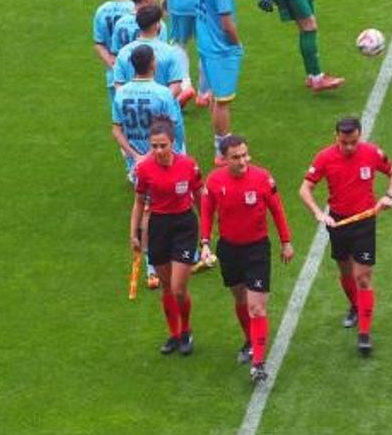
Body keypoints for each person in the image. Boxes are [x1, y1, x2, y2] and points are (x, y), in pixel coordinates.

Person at [298, 116, 392, 355]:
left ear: (359, 136)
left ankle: (364, 334)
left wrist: (388, 195)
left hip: (364, 221)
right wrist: (318, 213)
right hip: (338, 222)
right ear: (336, 137)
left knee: (362, 277)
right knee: (345, 271)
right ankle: (355, 306)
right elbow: (305, 188)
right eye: (344, 142)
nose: (349, 147)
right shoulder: (324, 157)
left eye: (353, 142)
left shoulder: (372, 153)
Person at [200, 135, 296, 383]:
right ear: (224, 159)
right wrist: (205, 244)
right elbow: (207, 212)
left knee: (257, 307)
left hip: (257, 250)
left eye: (245, 155)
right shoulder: (214, 181)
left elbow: (277, 209)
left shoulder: (263, 178)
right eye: (236, 157)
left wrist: (286, 241)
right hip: (229, 249)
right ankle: (250, 340)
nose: (242, 161)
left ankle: (258, 363)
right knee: (241, 300)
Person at [130, 116, 203, 355]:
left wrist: (206, 230)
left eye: (163, 145)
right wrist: (134, 234)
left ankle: (186, 330)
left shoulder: (188, 165)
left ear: (173, 142)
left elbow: (200, 196)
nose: (159, 150)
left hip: (184, 225)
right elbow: (139, 202)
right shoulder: (144, 169)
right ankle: (174, 334)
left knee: (178, 288)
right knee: (166, 287)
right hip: (159, 226)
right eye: (154, 146)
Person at [195, 0, 245, 160]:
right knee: (223, 101)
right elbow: (227, 24)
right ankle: (222, 150)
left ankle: (220, 144)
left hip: (205, 44)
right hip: (221, 49)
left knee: (216, 96)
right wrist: (237, 43)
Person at [112, 0, 195, 107]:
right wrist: (162, 104)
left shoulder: (123, 52)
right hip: (162, 107)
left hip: (132, 107)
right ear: (157, 26)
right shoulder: (169, 52)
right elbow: (176, 85)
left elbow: (118, 85)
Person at [112, 45, 185, 178]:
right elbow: (171, 129)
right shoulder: (163, 93)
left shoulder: (120, 93)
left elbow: (116, 131)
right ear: (153, 64)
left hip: (136, 165)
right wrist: (148, 157)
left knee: (142, 190)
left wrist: (137, 156)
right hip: (161, 160)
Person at [92, 0, 140, 110]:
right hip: (139, 72)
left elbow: (99, 43)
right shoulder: (136, 9)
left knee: (119, 117)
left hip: (114, 76)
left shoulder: (101, 10)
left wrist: (112, 64)